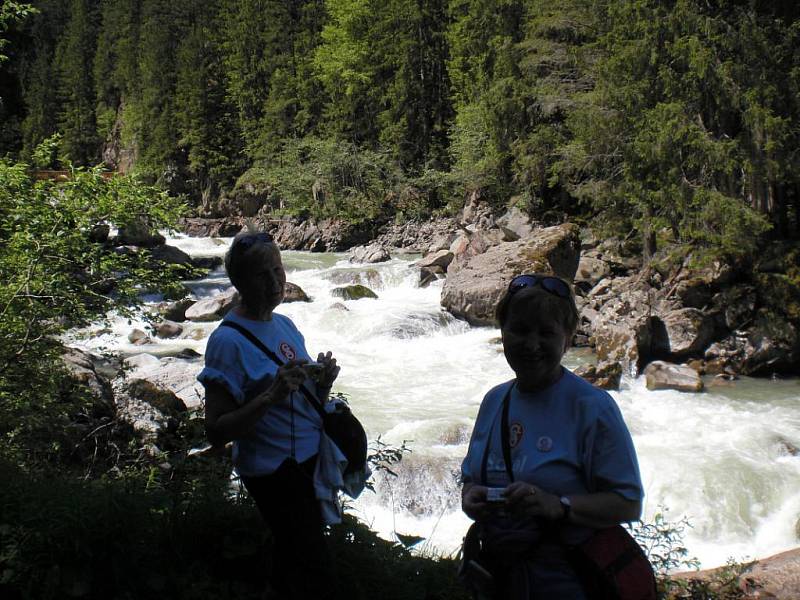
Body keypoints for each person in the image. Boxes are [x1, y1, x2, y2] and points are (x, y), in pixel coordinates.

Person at [460, 273, 645, 599]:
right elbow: (472, 481)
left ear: (568, 339)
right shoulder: (494, 401)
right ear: (502, 333)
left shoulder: (592, 407)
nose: (531, 344)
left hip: (568, 583)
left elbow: (628, 504)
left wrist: (559, 505)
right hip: (503, 581)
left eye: (546, 333)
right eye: (519, 330)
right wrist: (472, 496)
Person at [198, 231, 340, 599]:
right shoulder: (226, 342)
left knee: (296, 558)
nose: (276, 282)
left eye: (279, 270)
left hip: (307, 461)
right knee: (314, 567)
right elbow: (216, 432)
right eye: (263, 275)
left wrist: (322, 383)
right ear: (240, 282)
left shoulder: (284, 324)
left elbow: (302, 396)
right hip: (273, 471)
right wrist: (270, 396)